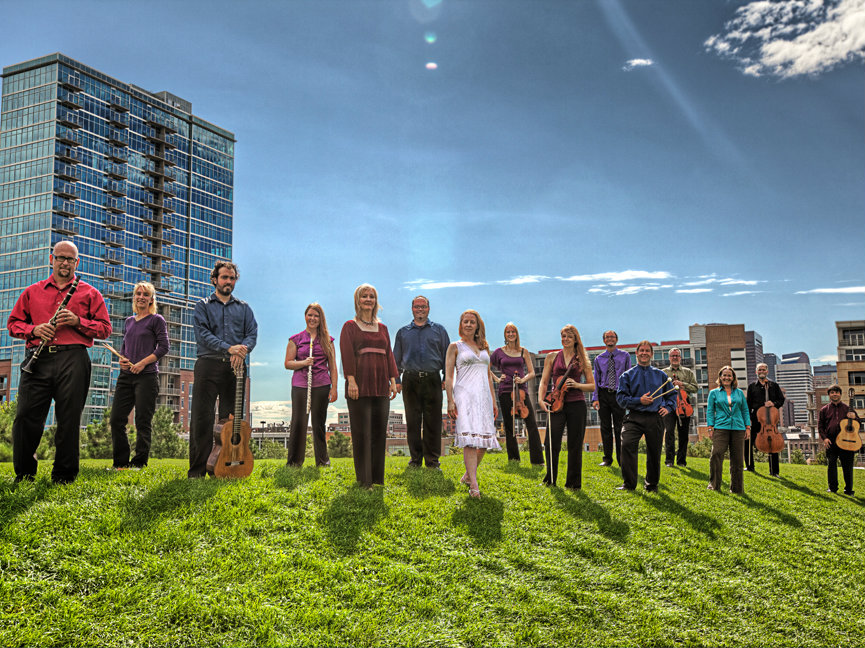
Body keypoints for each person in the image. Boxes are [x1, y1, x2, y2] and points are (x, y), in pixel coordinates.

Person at [8, 241, 111, 484]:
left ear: (77, 263)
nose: (65, 263)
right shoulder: (32, 292)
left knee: (69, 418)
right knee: (25, 417)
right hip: (37, 358)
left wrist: (78, 322)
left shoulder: (90, 293)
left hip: (73, 358)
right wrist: (34, 330)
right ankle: (24, 474)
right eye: (60, 257)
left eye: (70, 259)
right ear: (51, 259)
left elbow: (105, 329)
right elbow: (13, 324)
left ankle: (64, 476)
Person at [189, 261, 258, 478]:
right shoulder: (203, 306)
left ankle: (225, 468)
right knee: (203, 419)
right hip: (208, 365)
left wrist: (241, 351)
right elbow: (203, 335)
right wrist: (230, 348)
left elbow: (252, 334)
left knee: (230, 419)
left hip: (235, 369)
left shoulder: (244, 309)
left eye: (232, 278)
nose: (228, 281)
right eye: (224, 277)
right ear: (215, 279)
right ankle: (198, 471)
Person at [340, 284, 398, 488]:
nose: (368, 299)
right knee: (362, 433)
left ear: (376, 300)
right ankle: (364, 480)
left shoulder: (383, 328)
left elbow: (389, 354)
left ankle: (376, 479)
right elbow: (347, 354)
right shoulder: (349, 326)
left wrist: (392, 381)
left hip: (380, 386)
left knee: (378, 433)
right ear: (357, 300)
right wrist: (351, 380)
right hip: (360, 386)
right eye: (364, 296)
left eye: (371, 296)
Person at [109, 281, 169, 469]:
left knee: (143, 421)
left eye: (145, 294)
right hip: (126, 376)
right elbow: (125, 347)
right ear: (134, 297)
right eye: (138, 293)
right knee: (116, 419)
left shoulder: (156, 320)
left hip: (147, 376)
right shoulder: (128, 321)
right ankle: (120, 463)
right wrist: (122, 360)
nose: (141, 297)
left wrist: (142, 363)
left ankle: (139, 462)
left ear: (151, 300)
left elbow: (164, 347)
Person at [445, 310, 499, 498]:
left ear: (477, 325)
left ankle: (468, 475)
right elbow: (449, 376)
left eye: (472, 322)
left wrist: (493, 400)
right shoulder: (455, 347)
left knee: (483, 441)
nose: (468, 324)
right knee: (469, 440)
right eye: (465, 321)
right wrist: (450, 400)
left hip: (483, 397)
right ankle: (474, 485)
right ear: (461, 325)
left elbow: (488, 375)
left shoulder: (484, 347)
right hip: (464, 396)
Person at [392, 295, 449, 469]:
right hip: (410, 380)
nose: (420, 310)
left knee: (433, 421)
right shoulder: (403, 333)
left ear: (428, 309)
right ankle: (415, 460)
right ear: (412, 309)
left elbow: (448, 356)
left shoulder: (439, 331)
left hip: (433, 379)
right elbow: (396, 359)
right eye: (417, 307)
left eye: (423, 307)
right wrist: (397, 380)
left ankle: (432, 461)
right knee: (413, 421)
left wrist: (446, 377)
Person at [538, 325, 595, 489]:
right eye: (563, 336)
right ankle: (550, 478)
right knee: (550, 442)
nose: (565, 339)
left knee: (575, 444)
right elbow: (543, 381)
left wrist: (577, 384)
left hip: (576, 404)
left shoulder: (582, 359)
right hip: (556, 403)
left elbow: (592, 386)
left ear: (575, 339)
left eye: (569, 337)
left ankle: (573, 483)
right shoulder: (552, 357)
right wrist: (541, 400)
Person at [615, 340, 675, 492]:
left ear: (651, 354)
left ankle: (651, 485)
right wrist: (639, 400)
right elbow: (621, 399)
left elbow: (672, 395)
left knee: (654, 451)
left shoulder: (661, 375)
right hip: (633, 417)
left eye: (647, 351)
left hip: (655, 418)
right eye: (641, 350)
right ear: (636, 353)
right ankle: (629, 484)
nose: (644, 353)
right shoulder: (626, 376)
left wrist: (668, 408)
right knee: (627, 444)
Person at [284, 303, 338, 467]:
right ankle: (294, 462)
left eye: (316, 315)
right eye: (310, 315)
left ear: (320, 319)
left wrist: (334, 388)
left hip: (321, 385)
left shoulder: (327, 340)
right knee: (298, 422)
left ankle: (323, 461)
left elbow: (333, 366)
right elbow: (287, 363)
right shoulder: (296, 339)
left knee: (318, 423)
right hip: (300, 385)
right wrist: (304, 362)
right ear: (305, 316)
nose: (313, 318)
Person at [490, 323, 544, 465]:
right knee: (509, 426)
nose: (511, 334)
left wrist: (523, 379)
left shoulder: (523, 351)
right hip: (505, 391)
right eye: (508, 332)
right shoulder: (498, 352)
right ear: (505, 335)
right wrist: (496, 378)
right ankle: (514, 459)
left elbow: (532, 373)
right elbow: (484, 366)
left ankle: (538, 460)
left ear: (516, 334)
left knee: (531, 423)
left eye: (513, 331)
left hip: (521, 392)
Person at [706, 366, 750, 493]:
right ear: (720, 377)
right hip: (720, 428)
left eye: (729, 375)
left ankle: (737, 488)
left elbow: (745, 410)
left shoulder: (739, 393)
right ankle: (714, 484)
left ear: (733, 378)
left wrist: (747, 427)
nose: (726, 377)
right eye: (724, 375)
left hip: (738, 428)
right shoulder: (713, 393)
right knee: (716, 454)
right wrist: (710, 427)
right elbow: (710, 411)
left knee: (737, 459)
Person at [591, 330, 631, 467]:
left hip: (618, 394)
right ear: (604, 340)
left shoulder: (625, 356)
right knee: (605, 427)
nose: (610, 339)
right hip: (603, 395)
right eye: (607, 337)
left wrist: (627, 395)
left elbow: (628, 377)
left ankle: (622, 459)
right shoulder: (598, 359)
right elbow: (596, 379)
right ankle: (607, 459)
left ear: (616, 339)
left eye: (612, 337)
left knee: (620, 427)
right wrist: (595, 398)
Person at [818, 384, 860, 496]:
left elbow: (858, 423)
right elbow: (820, 426)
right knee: (831, 465)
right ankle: (832, 488)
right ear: (829, 395)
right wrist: (825, 438)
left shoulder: (847, 408)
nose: (834, 394)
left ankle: (849, 490)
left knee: (848, 467)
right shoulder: (824, 410)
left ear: (840, 394)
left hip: (847, 440)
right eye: (832, 392)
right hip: (831, 441)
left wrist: (854, 417)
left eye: (837, 392)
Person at [745, 362, 785, 476]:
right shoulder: (752, 386)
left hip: (770, 420)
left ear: (767, 372)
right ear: (756, 372)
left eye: (764, 370)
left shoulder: (774, 385)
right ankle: (749, 466)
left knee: (773, 444)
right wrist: (748, 419)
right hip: (756, 418)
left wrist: (773, 403)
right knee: (747, 441)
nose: (762, 372)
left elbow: (781, 400)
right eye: (760, 370)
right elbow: (748, 404)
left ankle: (774, 471)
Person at [662, 348, 697, 467]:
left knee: (683, 434)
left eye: (677, 355)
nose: (675, 357)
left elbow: (695, 388)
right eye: (673, 356)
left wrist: (682, 384)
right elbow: (660, 389)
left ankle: (681, 460)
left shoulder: (688, 372)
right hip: (669, 405)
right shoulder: (664, 372)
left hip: (683, 405)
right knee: (669, 432)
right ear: (669, 358)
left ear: (680, 358)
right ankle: (669, 460)